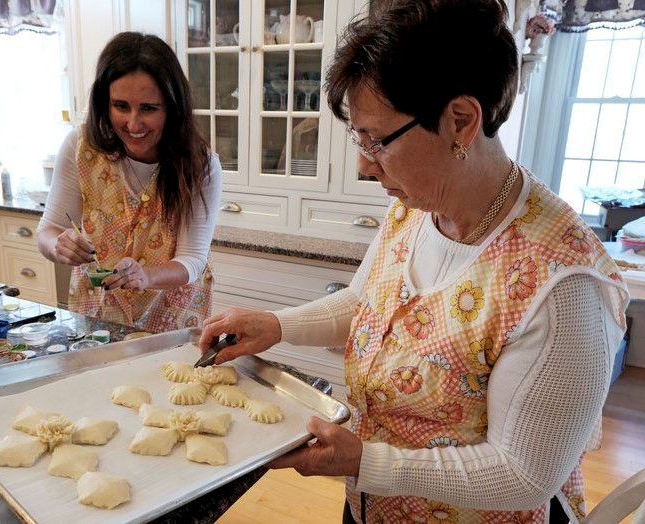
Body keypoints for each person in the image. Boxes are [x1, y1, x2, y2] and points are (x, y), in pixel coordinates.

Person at [198, 2, 629, 522]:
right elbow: (367, 302)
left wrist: (367, 462)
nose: (363, 163)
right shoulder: (416, 206)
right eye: (358, 137)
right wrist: (276, 325)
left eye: (377, 140)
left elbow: (524, 474)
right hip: (373, 504)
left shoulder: (563, 286)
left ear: (460, 121)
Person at [38, 32, 220, 332]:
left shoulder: (200, 165)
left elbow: (192, 259)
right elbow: (48, 230)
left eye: (149, 108)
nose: (133, 124)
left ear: (172, 107)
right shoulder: (80, 148)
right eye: (121, 106)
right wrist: (58, 246)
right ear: (104, 103)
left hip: (170, 317)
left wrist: (145, 276)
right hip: (96, 314)